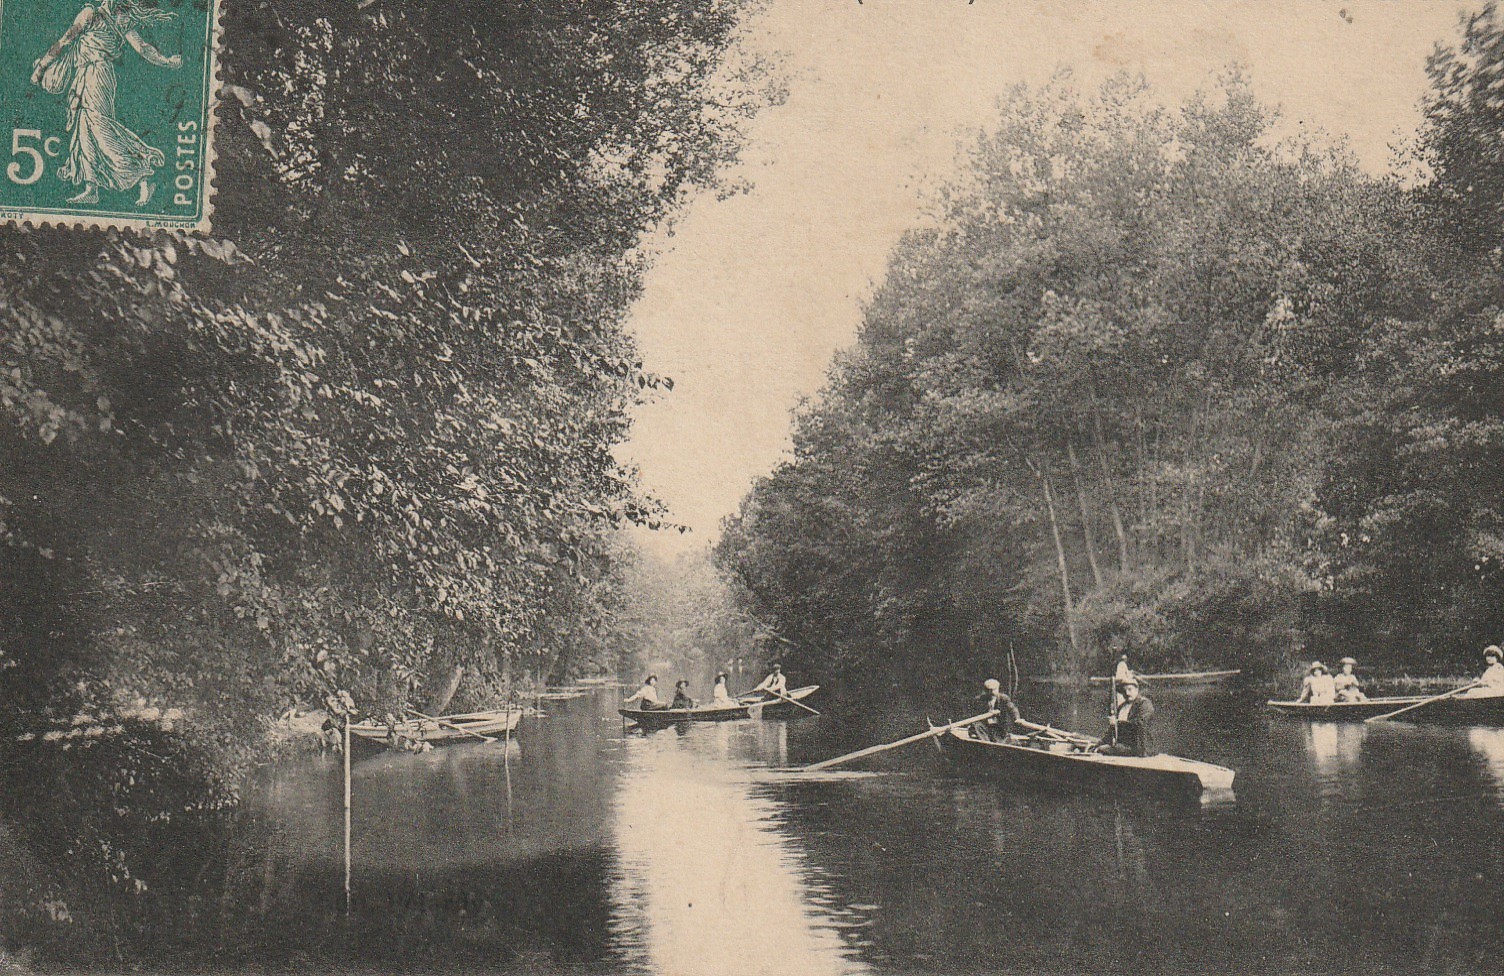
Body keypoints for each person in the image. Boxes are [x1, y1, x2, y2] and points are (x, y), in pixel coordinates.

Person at [30, 0, 184, 206]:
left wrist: (41, 68)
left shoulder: (104, 17)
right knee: (84, 130)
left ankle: (144, 175)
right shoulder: (103, 16)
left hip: (97, 75)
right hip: (85, 75)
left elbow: (65, 41)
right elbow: (143, 48)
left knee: (100, 129)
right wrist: (167, 61)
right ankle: (91, 188)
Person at [1097, 678, 1155, 756]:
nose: (1127, 693)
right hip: (1124, 746)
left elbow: (1140, 723)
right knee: (1100, 747)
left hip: (1140, 747)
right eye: (1124, 691)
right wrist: (1099, 743)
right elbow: (1112, 730)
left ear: (1136, 689)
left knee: (1102, 750)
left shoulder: (1144, 704)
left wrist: (1118, 722)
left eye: (1130, 689)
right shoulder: (1121, 707)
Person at [972, 678, 1022, 742]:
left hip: (998, 726)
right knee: (977, 726)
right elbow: (975, 714)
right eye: (989, 690)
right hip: (986, 726)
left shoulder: (1004, 698)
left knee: (999, 739)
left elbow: (1012, 708)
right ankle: (985, 743)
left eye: (994, 690)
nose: (992, 692)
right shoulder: (979, 700)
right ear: (985, 690)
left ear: (998, 689)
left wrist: (1017, 718)